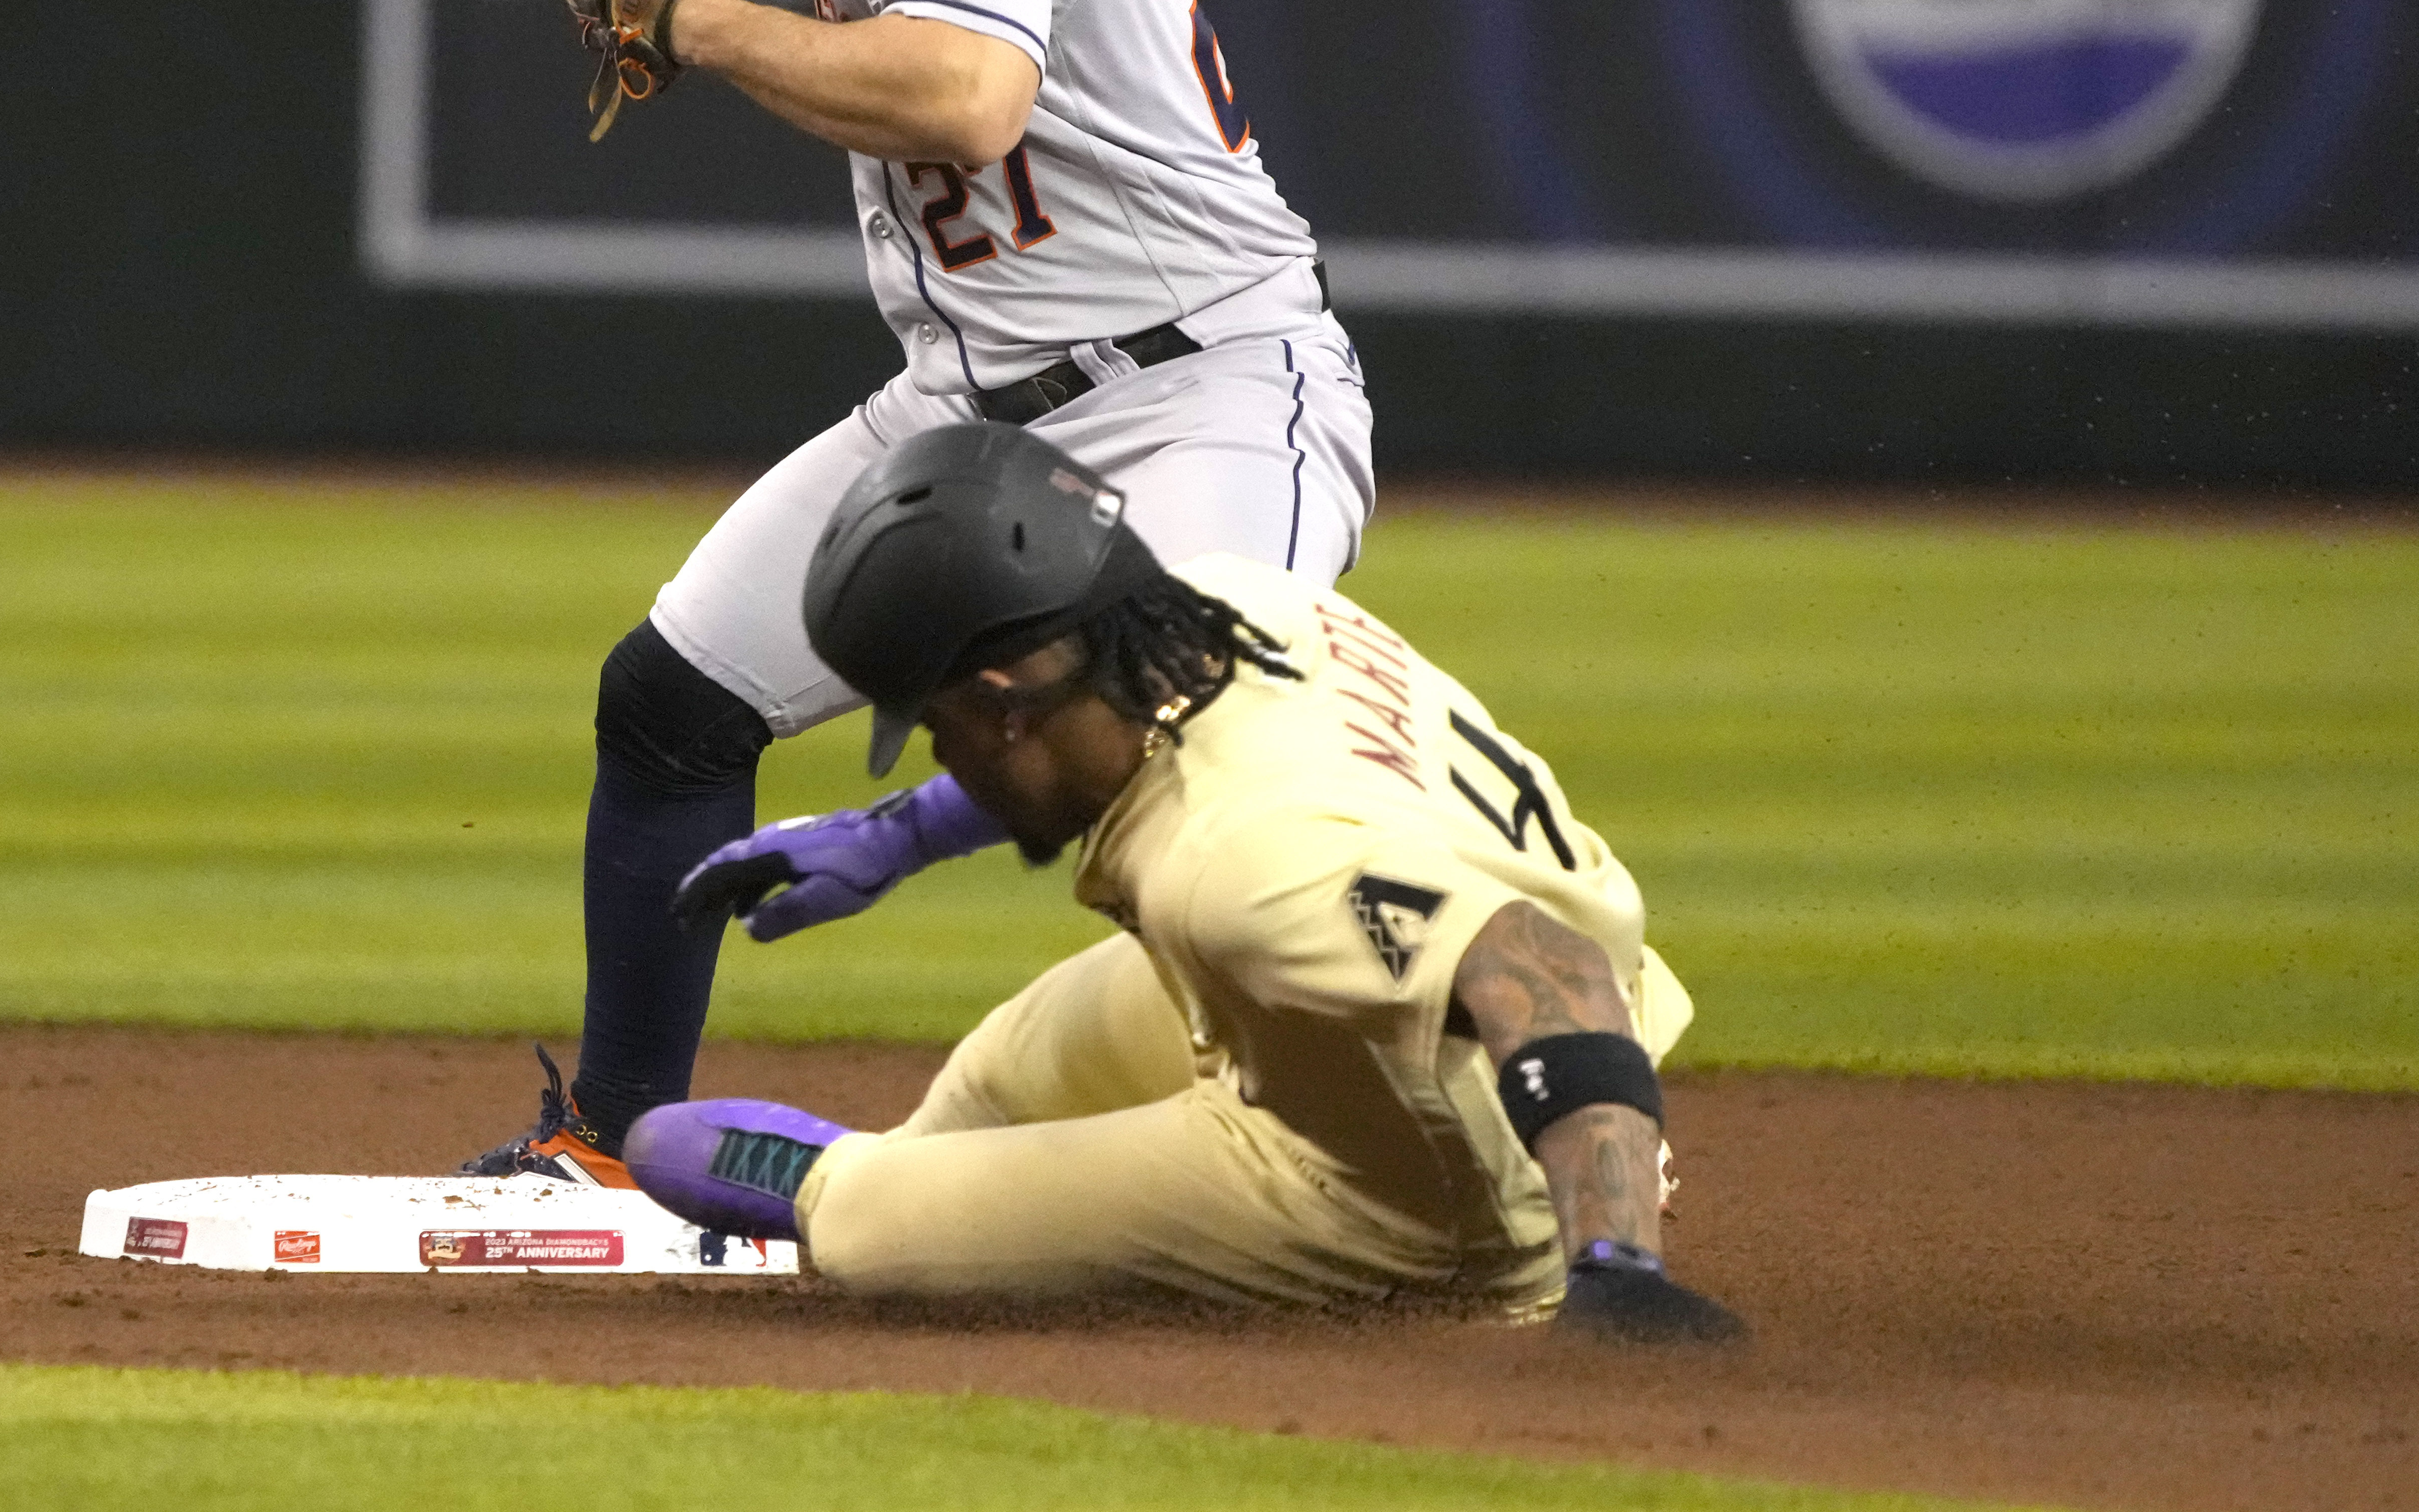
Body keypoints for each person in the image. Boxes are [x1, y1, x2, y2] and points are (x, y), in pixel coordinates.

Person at [465, 0, 1374, 1185]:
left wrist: (710, 21)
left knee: (1188, 761)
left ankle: (1375, 1142)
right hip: (972, 403)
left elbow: (962, 98)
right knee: (673, 699)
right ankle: (608, 1140)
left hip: (1201, 389)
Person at [622, 423, 1746, 1344]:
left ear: (1007, 694)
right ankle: (946, 1168)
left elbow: (1535, 963)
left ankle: (849, 1187)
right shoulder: (1229, 604)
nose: (934, 753)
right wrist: (895, 837)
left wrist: (1616, 1263)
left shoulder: (1244, 860)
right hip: (1341, 1004)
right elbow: (1100, 753)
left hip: (1419, 1185)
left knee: (863, 1225)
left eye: (936, 723)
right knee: (1004, 1074)